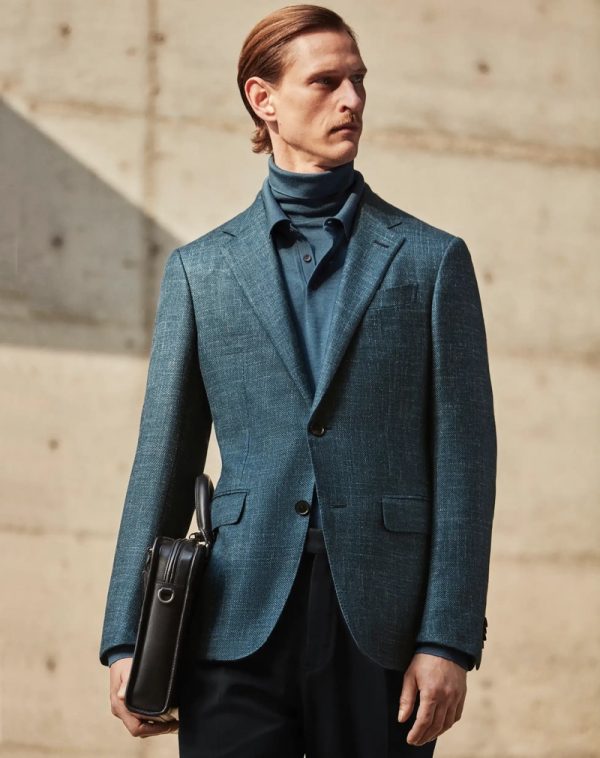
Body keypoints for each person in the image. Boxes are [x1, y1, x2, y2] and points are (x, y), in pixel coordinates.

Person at [100, 5, 496, 756]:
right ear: (264, 99)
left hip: (382, 624)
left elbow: (466, 464)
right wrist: (126, 637)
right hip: (232, 619)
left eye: (359, 81)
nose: (352, 100)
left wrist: (447, 638)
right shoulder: (202, 271)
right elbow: (163, 459)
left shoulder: (431, 261)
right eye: (326, 82)